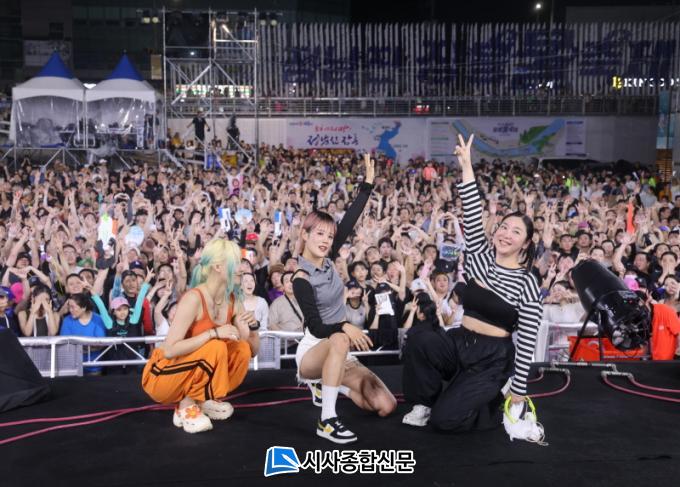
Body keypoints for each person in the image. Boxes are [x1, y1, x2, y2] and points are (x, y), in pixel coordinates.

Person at [401, 134, 543, 432]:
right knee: (419, 339)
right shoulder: (479, 257)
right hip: (459, 341)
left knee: (446, 420)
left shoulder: (527, 280)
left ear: (526, 243)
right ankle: (424, 403)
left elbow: (528, 338)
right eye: (504, 227)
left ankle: (494, 396)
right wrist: (466, 165)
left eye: (516, 232)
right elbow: (472, 210)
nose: (506, 233)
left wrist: (519, 388)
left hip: (492, 358)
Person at [292, 153, 396, 444]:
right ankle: (327, 420)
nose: (326, 240)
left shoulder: (328, 259)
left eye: (329, 236)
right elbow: (315, 327)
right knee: (339, 339)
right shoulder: (301, 278)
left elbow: (349, 221)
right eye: (319, 234)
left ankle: (332, 386)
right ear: (305, 235)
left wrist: (367, 185)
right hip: (315, 350)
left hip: (340, 350)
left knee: (385, 405)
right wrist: (345, 327)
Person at [141, 238, 260, 434]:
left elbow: (252, 351)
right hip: (163, 376)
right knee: (216, 345)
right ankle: (185, 407)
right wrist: (213, 333)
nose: (243, 269)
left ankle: (203, 399)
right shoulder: (193, 298)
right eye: (237, 262)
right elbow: (169, 350)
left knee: (241, 349)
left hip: (188, 372)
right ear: (218, 266)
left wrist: (253, 329)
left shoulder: (233, 299)